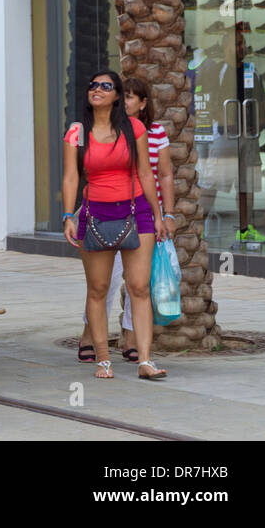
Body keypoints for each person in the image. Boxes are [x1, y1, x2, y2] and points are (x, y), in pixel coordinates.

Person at [62, 70, 168, 381]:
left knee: (139, 287)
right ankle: (104, 360)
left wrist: (160, 215)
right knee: (97, 289)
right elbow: (71, 177)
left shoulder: (133, 127)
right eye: (92, 85)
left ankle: (145, 361)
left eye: (105, 86)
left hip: (137, 213)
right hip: (95, 215)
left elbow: (147, 174)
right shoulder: (77, 133)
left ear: (117, 95)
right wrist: (68, 215)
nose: (96, 89)